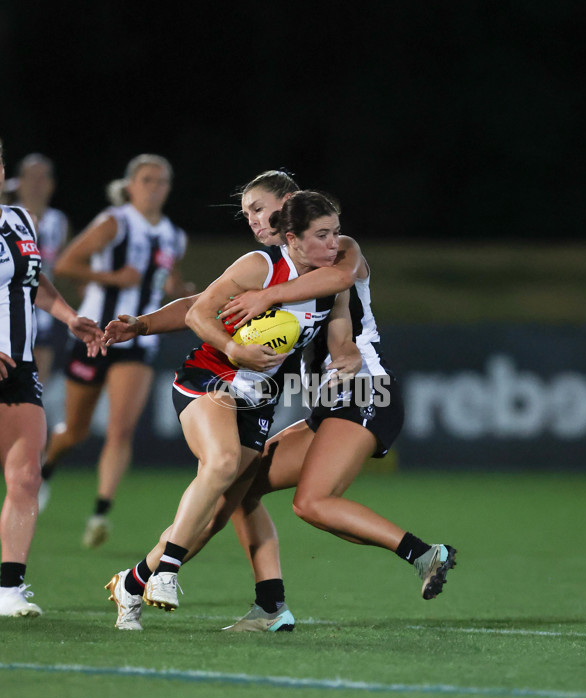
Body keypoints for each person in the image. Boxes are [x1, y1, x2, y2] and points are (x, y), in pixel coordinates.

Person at [103, 177, 456, 632]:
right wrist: (145, 325)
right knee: (239, 492)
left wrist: (280, 306)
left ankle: (423, 553)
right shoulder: (269, 264)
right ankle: (251, 602)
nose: (252, 219)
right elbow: (204, 303)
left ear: (288, 209)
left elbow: (340, 280)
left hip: (364, 390)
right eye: (246, 211)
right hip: (324, 398)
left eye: (259, 208)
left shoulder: (335, 249)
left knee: (310, 501)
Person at [38, 154, 195, 548]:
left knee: (120, 429)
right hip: (94, 335)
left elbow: (165, 279)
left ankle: (100, 512)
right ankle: (46, 468)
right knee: (74, 430)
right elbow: (65, 264)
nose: (154, 187)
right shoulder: (116, 221)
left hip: (139, 340)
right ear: (130, 185)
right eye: (146, 180)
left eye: (161, 181)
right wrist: (110, 278)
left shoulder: (174, 235)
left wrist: (177, 290)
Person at [0, 140, 103, 617]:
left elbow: (34, 280)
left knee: (25, 475)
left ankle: (8, 590)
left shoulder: (20, 219)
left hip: (17, 367)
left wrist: (68, 315)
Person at [11, 154, 69, 383]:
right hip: (8, 312)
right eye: (31, 177)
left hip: (43, 316)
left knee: (34, 389)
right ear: (19, 181)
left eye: (42, 178)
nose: (37, 184)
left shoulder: (59, 221)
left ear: (51, 184)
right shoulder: (5, 216)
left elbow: (63, 265)